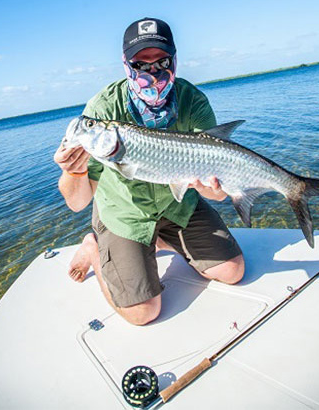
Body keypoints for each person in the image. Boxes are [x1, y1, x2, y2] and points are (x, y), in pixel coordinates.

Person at [54, 17, 245, 326]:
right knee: (144, 312)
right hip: (125, 214)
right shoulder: (103, 109)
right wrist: (73, 173)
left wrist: (211, 186)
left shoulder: (192, 100)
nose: (153, 73)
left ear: (175, 59)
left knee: (232, 271)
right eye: (141, 64)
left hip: (177, 204)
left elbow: (218, 194)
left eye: (162, 61)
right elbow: (76, 203)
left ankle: (159, 239)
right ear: (125, 63)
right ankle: (95, 245)